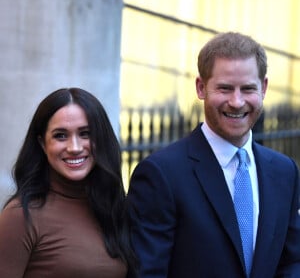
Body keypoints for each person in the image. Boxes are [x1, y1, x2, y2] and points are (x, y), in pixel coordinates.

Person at [127, 32, 300, 277]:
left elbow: (293, 262)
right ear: (201, 87)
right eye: (225, 89)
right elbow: (148, 272)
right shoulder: (161, 175)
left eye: (248, 88)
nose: (237, 101)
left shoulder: (284, 172)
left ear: (264, 88)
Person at [0, 88, 136, 278]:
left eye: (85, 133)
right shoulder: (21, 216)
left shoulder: (113, 208)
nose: (75, 147)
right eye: (60, 136)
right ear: (42, 143)